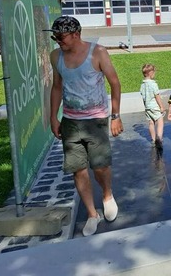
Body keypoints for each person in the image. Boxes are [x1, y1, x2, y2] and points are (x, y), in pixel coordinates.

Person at [49, 16, 122, 237]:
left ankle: (107, 195)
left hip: (96, 119)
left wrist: (116, 115)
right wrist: (53, 117)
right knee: (78, 169)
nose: (58, 41)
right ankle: (92, 214)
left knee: (100, 166)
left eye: (61, 37)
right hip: (71, 121)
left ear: (76, 34)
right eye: (55, 37)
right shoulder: (56, 56)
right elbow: (57, 87)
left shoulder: (97, 52)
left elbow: (115, 82)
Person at [139, 63, 165, 148]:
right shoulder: (153, 84)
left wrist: (146, 106)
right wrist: (161, 106)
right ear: (150, 73)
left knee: (151, 123)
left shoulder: (142, 85)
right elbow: (157, 96)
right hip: (154, 106)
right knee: (160, 121)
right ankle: (159, 138)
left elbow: (143, 97)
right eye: (154, 72)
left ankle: (153, 140)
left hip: (147, 107)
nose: (154, 74)